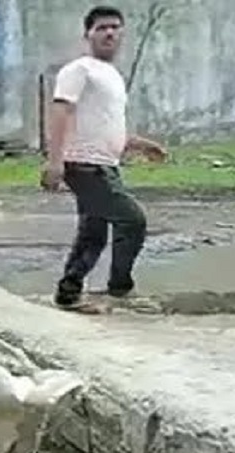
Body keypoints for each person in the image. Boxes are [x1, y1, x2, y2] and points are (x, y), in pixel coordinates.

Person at [43, 5, 167, 310]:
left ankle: (69, 293)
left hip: (105, 164)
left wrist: (141, 145)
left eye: (114, 27)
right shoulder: (79, 70)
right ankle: (120, 290)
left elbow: (105, 125)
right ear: (88, 34)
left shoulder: (111, 76)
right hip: (83, 163)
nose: (109, 33)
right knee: (132, 220)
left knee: (93, 233)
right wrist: (55, 161)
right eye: (101, 28)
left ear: (122, 33)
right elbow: (61, 111)